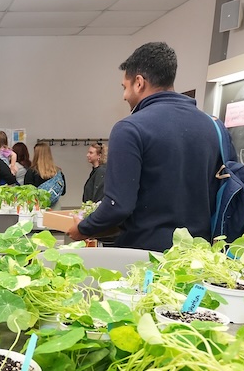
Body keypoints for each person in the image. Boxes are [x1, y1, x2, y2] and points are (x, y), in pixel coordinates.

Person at [67, 41, 227, 252]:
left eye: (124, 87)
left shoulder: (130, 129)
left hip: (144, 258)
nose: (124, 96)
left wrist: (83, 228)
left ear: (139, 83)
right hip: (198, 257)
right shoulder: (214, 126)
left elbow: (118, 206)